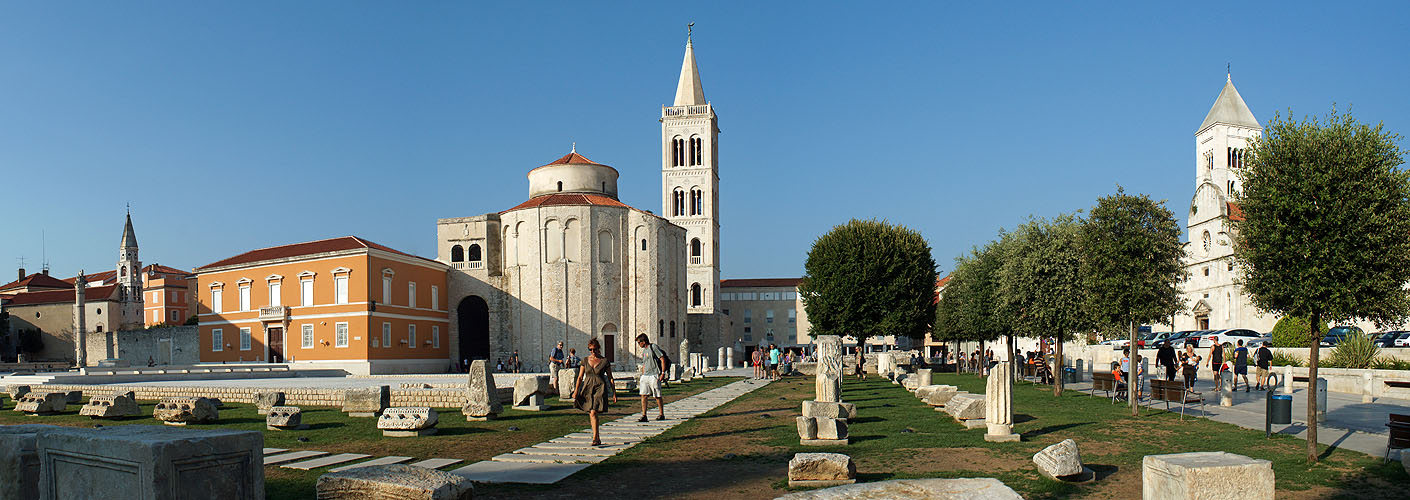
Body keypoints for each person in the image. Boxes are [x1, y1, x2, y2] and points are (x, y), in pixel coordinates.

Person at [573, 337, 616, 446]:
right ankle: (597, 437)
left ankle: (595, 438)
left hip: (599, 387)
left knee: (593, 411)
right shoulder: (585, 360)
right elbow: (580, 377)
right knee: (591, 412)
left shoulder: (604, 361)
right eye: (590, 349)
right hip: (587, 387)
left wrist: (614, 393)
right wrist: (576, 390)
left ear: (598, 348)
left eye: (595, 349)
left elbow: (610, 377)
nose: (593, 352)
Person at [635, 334, 668, 422]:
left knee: (657, 395)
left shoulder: (653, 347)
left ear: (644, 341)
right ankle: (644, 415)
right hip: (645, 375)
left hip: (654, 375)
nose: (638, 344)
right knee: (643, 395)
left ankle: (661, 414)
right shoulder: (644, 351)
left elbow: (662, 359)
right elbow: (644, 364)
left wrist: (663, 373)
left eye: (639, 343)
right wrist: (643, 374)